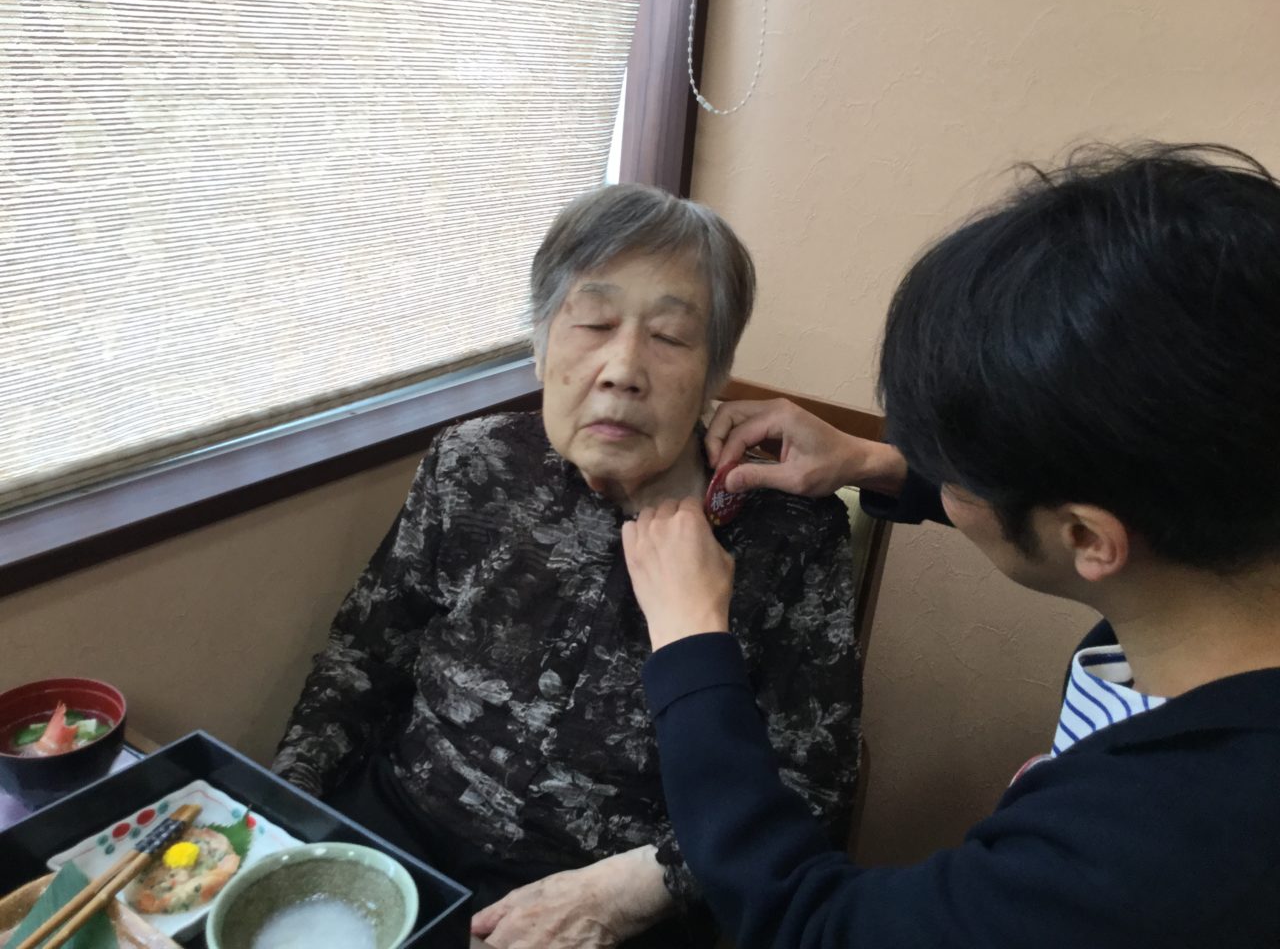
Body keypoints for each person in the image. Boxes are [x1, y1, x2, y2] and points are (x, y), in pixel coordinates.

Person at [621, 144, 1280, 948]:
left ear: (1086, 536)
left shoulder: (1165, 854)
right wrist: (876, 463)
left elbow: (811, 922)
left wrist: (690, 637)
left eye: (956, 470)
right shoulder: (1224, 543)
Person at [271, 183, 864, 949]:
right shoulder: (472, 463)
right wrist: (280, 815)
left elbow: (813, 786)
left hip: (614, 898)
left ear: (715, 373)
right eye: (593, 323)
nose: (623, 369)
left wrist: (648, 886)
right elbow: (361, 661)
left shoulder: (790, 531)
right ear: (541, 344)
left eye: (671, 337)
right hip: (398, 833)